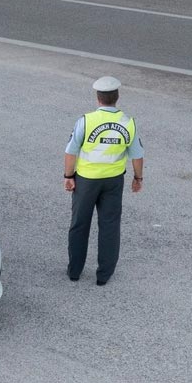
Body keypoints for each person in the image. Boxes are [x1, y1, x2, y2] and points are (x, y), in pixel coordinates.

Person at [63, 76, 144, 285]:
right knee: (110, 226)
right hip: (113, 181)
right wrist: (138, 178)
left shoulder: (86, 121)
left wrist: (69, 176)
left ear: (98, 98)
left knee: (79, 224)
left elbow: (71, 151)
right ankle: (104, 275)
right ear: (117, 97)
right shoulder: (128, 123)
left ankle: (74, 271)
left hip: (86, 181)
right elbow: (137, 155)